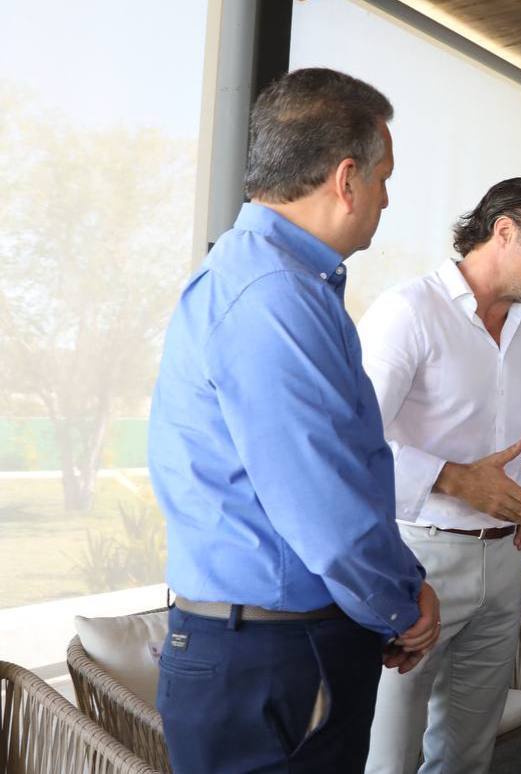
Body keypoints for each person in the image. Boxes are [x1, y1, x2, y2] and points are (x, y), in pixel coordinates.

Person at [148, 68, 440, 774]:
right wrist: (401, 606)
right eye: (383, 179)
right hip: (272, 660)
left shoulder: (272, 279)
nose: (386, 198)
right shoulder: (273, 294)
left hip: (269, 651)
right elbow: (325, 503)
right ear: (346, 179)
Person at [359, 177, 521, 774]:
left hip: (504, 561)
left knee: (468, 755)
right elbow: (353, 446)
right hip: (416, 559)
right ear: (504, 230)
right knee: (387, 758)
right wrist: (453, 478)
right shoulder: (409, 311)